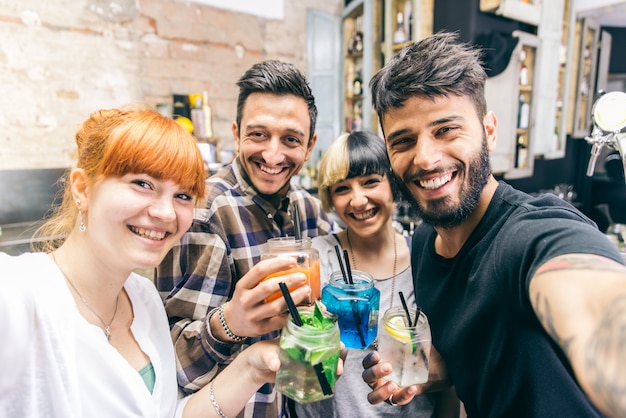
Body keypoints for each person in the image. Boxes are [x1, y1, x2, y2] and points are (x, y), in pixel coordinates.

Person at [360, 31, 626, 418]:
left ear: (489, 130)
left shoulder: (531, 235)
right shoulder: (423, 241)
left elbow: (600, 316)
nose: (426, 158)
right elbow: (470, 360)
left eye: (446, 130)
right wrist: (424, 372)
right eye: (403, 141)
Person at [0, 106, 310, 417]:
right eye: (143, 184)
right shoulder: (22, 295)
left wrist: (253, 367)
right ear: (82, 189)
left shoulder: (142, 298)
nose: (165, 213)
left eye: (184, 196)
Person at [156, 60, 336, 417]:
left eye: (290, 140)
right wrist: (230, 323)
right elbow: (172, 360)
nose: (273, 154)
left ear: (310, 145)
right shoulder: (205, 214)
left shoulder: (308, 208)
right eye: (258, 135)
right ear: (236, 134)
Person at [293, 130, 459, 417]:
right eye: (342, 188)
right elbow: (299, 362)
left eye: (371, 182)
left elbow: (450, 374)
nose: (358, 201)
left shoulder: (428, 259)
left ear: (394, 184)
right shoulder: (317, 260)